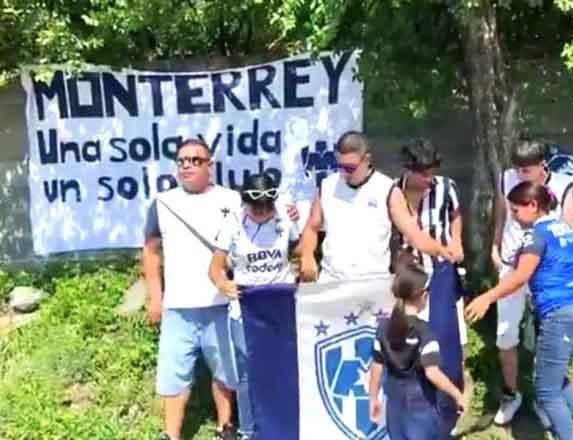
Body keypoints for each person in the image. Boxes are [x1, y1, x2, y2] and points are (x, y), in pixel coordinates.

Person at [465, 181, 573, 440]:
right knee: (556, 377)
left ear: (533, 205)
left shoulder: (535, 236)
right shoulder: (563, 228)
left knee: (547, 391)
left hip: (560, 317)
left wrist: (487, 298)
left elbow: (519, 278)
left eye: (516, 211)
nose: (513, 218)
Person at [143, 138, 241, 440]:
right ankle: (170, 435)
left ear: (210, 165)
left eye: (195, 160)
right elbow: (150, 250)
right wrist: (155, 298)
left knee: (226, 372)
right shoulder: (163, 202)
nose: (187, 165)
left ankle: (225, 428)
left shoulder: (232, 199)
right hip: (178, 308)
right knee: (174, 378)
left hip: (220, 304)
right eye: (182, 160)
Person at [490, 139, 573, 425]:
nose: (521, 175)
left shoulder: (564, 185)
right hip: (510, 265)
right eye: (517, 169)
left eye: (526, 170)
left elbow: (572, 227)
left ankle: (548, 397)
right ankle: (510, 394)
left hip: (545, 273)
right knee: (505, 336)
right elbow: (501, 212)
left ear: (543, 165)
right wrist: (495, 246)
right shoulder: (508, 178)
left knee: (548, 337)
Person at [208, 174, 300, 440]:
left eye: (267, 207)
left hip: (281, 304)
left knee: (285, 366)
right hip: (247, 307)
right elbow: (215, 268)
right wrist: (223, 285)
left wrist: (304, 262)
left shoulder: (284, 217)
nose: (262, 213)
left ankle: (286, 427)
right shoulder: (233, 223)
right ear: (245, 203)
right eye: (256, 207)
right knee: (249, 371)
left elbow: (300, 248)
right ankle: (249, 431)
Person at [298, 131, 455, 283]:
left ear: (367, 160)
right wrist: (307, 255)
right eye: (341, 166)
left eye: (351, 168)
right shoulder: (327, 186)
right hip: (332, 280)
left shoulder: (387, 189)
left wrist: (442, 251)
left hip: (373, 282)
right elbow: (311, 227)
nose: (345, 173)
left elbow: (414, 235)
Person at [394, 137, 468, 434]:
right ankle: (413, 405)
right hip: (410, 272)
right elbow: (411, 235)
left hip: (440, 271)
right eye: (422, 173)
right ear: (408, 169)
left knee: (444, 338)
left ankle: (448, 408)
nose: (428, 179)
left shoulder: (446, 187)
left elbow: (456, 214)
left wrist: (457, 239)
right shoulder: (394, 192)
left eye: (432, 171)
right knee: (410, 338)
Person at [369, 262, 466, 440]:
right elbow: (432, 373)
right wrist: (457, 395)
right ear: (422, 295)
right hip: (421, 406)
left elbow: (376, 367)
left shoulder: (383, 328)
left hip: (394, 405)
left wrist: (373, 398)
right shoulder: (425, 332)